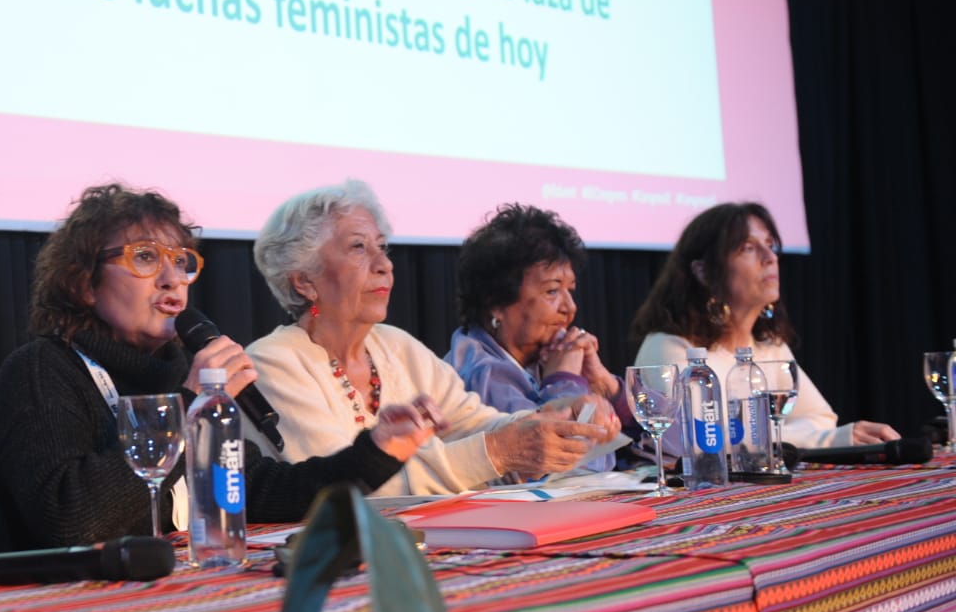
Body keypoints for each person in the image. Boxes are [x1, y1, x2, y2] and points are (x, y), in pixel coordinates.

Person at [0, 183, 442, 552]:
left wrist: (379, 450)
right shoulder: (43, 371)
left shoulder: (172, 372)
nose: (171, 278)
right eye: (145, 258)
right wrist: (191, 405)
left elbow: (269, 492)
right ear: (84, 283)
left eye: (181, 262)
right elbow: (71, 520)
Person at [248, 181, 617, 497]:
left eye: (383, 247)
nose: (385, 264)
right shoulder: (274, 362)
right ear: (304, 280)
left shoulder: (395, 346)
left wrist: (551, 415)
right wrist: (498, 452)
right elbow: (349, 483)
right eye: (358, 247)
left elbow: (475, 424)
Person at [631, 201, 898, 448]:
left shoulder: (769, 347)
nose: (769, 257)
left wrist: (816, 435)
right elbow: (710, 440)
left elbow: (820, 418)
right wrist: (824, 440)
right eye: (748, 247)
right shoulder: (670, 347)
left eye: (770, 244)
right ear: (704, 271)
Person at [447, 204, 627, 471]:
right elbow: (574, 467)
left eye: (570, 291)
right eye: (552, 291)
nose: (570, 307)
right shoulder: (481, 372)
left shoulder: (546, 355)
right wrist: (564, 380)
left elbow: (670, 448)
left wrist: (605, 384)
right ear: (496, 301)